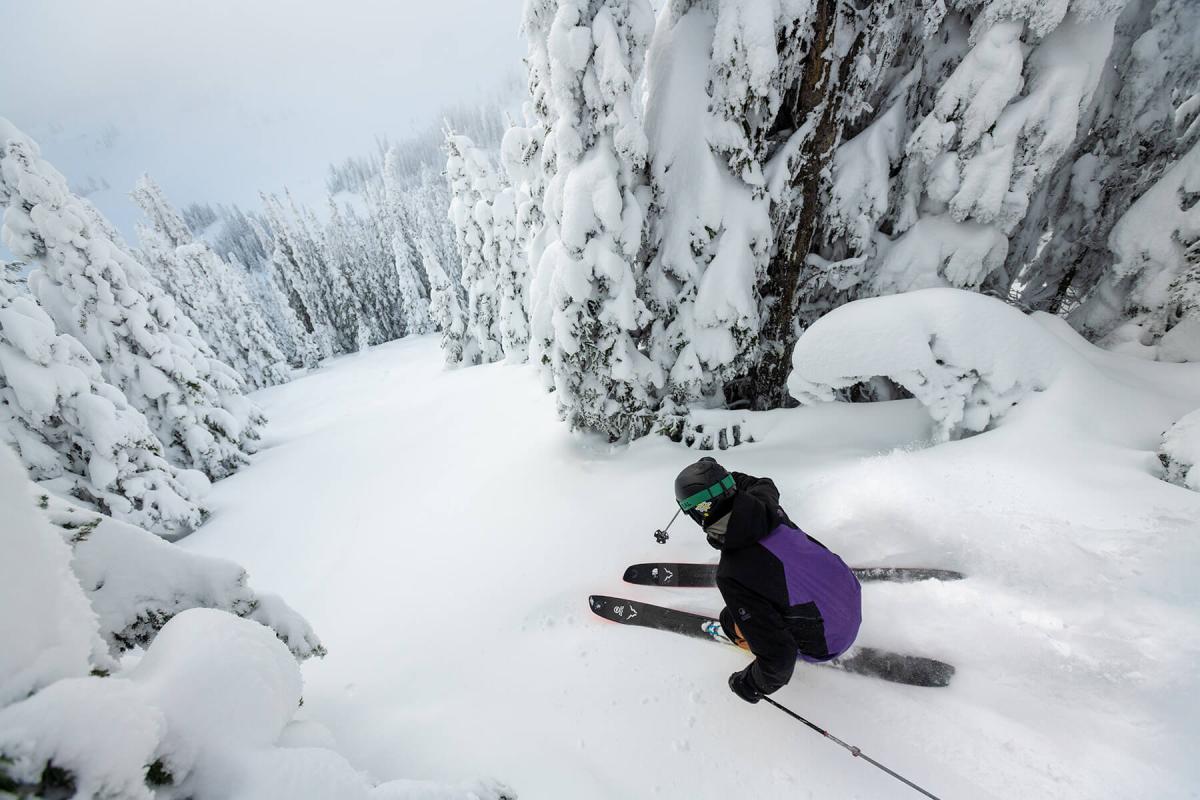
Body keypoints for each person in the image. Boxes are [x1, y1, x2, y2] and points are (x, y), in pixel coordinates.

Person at [674, 456, 862, 703]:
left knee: (730, 619)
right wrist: (721, 478)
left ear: (699, 513)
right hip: (850, 594)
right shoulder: (764, 502)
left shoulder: (733, 573)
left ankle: (743, 638)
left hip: (827, 643)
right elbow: (762, 482)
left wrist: (749, 684)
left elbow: (779, 660)